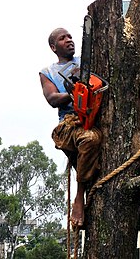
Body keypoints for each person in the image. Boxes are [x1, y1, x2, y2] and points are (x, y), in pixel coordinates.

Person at [39, 27, 102, 228]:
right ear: (53, 46)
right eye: (62, 38)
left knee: (92, 138)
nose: (69, 40)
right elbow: (52, 98)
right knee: (89, 139)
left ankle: (86, 191)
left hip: (92, 117)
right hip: (70, 124)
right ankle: (79, 196)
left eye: (70, 36)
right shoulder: (48, 72)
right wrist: (75, 93)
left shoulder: (85, 62)